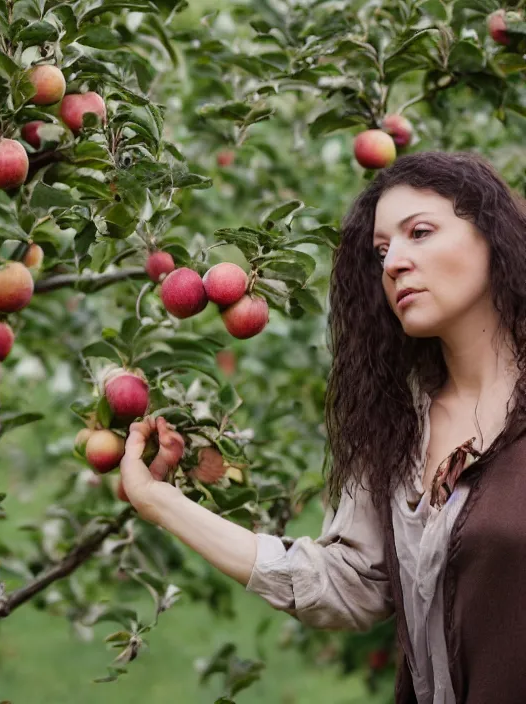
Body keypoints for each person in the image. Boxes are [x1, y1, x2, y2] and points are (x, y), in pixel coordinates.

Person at [120, 151, 526, 704]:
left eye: (420, 232)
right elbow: (349, 584)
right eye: (382, 250)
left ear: (492, 234)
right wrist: (159, 502)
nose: (393, 263)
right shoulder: (400, 425)